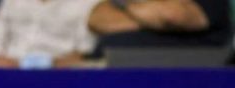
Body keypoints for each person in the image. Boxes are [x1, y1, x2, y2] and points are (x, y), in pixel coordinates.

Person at [0, 0, 103, 69]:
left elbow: (82, 57)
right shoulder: (12, 1)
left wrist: (24, 64)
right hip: (8, 76)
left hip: (58, 79)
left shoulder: (89, 3)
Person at [88, 0, 232, 50]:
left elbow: (172, 16)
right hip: (111, 70)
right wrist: (151, 19)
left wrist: (126, 6)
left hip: (181, 77)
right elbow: (96, 19)